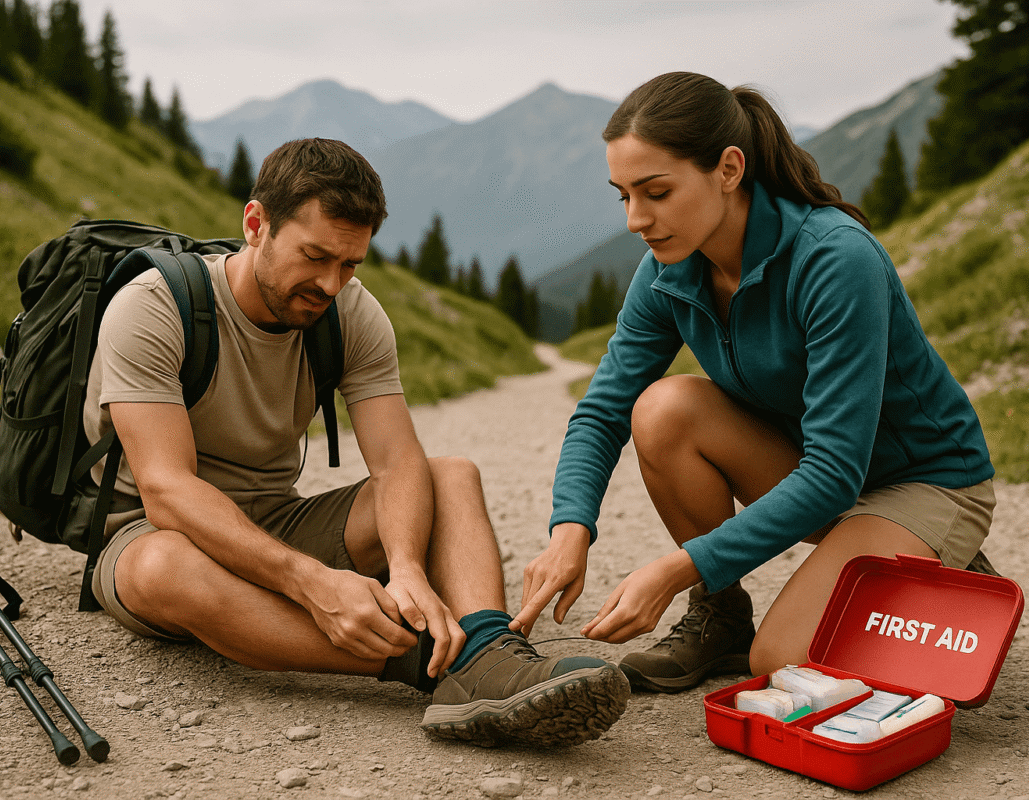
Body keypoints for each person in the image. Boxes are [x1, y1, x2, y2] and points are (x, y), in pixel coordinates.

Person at [82, 138, 629, 745]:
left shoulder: (350, 313)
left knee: (449, 475)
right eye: (315, 255)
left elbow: (397, 462)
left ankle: (489, 651)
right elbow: (166, 489)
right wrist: (311, 583)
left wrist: (408, 568)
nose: (330, 283)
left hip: (276, 518)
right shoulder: (153, 309)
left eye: (349, 264)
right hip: (151, 535)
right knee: (165, 569)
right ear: (256, 223)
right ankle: (428, 664)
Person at [511, 73, 999, 693]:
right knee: (663, 409)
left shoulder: (834, 257)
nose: (637, 219)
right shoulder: (670, 268)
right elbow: (602, 410)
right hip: (818, 476)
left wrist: (677, 569)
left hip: (921, 483)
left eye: (656, 192)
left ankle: (945, 575)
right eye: (623, 196)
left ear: (729, 169)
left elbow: (834, 472)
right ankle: (722, 618)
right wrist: (568, 532)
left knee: (783, 662)